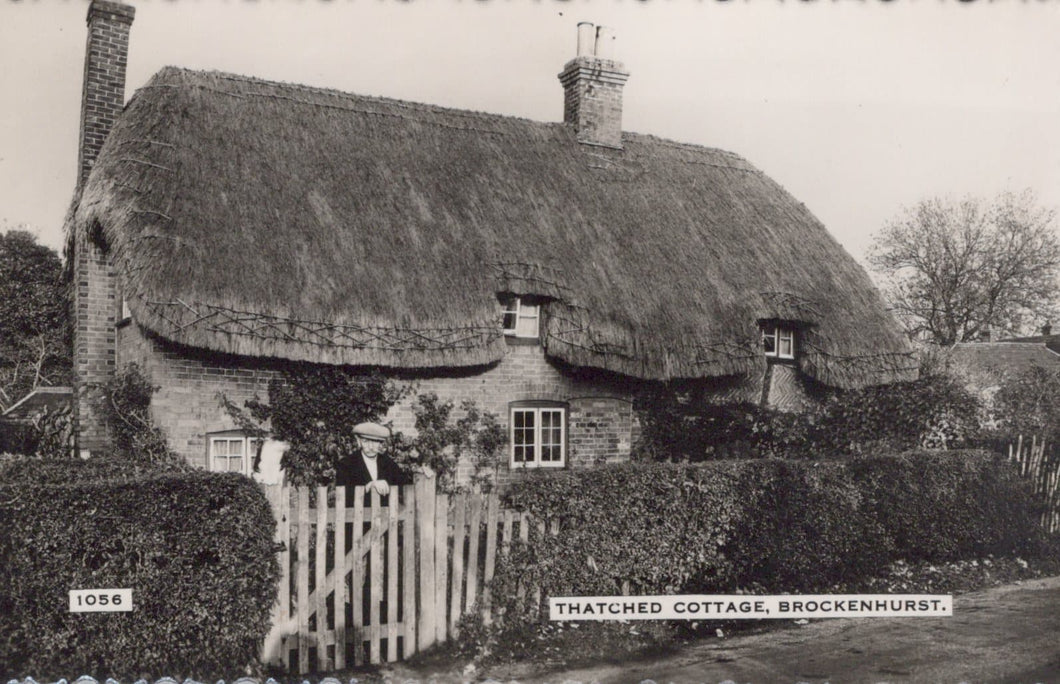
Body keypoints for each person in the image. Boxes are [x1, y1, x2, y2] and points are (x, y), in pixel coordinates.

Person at [334, 421, 411, 498]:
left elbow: (405, 486)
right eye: (365, 441)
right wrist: (367, 487)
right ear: (359, 441)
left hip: (385, 510)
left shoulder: (388, 463)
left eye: (375, 442)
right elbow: (342, 495)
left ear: (381, 443)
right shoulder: (346, 464)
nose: (370, 447)